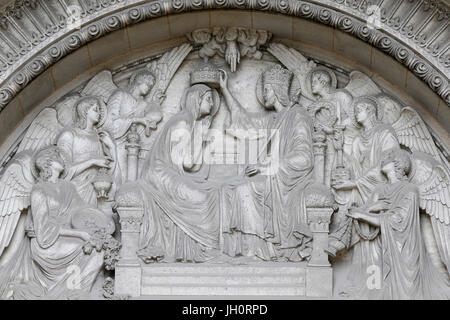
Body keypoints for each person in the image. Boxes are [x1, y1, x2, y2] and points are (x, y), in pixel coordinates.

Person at [218, 65, 315, 261]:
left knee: (243, 190)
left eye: (267, 89)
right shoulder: (275, 119)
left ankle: (260, 250)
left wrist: (265, 167)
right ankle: (247, 248)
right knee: (228, 187)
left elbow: (304, 157)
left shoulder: (298, 116)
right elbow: (246, 122)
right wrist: (225, 90)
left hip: (289, 182)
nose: (263, 94)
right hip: (274, 177)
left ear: (277, 89)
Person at [346, 149, 450, 299]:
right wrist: (365, 210)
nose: (383, 159)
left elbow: (397, 220)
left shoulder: (410, 190)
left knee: (406, 292)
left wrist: (363, 214)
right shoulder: (380, 189)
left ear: (398, 163)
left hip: (404, 250)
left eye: (388, 157)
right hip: (381, 247)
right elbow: (366, 210)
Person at [11, 147, 112, 299]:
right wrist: (79, 234)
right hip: (48, 242)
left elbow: (82, 211)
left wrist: (103, 222)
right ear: (48, 163)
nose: (62, 159)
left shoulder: (68, 187)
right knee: (89, 249)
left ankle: (77, 292)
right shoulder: (39, 190)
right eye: (57, 156)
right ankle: (69, 293)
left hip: (69, 236)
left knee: (99, 249)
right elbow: (43, 230)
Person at [136, 83, 222, 263]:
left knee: (210, 191)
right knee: (204, 198)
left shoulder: (189, 121)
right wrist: (201, 135)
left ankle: (203, 246)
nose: (212, 105)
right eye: (208, 100)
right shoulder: (183, 122)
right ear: (196, 100)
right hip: (160, 176)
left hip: (167, 174)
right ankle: (206, 248)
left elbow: (189, 164)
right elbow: (187, 163)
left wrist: (201, 133)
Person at [56, 96, 118, 206]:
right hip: (74, 192)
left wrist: (112, 147)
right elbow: (64, 172)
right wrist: (92, 161)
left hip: (96, 192)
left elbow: (109, 172)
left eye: (99, 110)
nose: (99, 113)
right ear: (85, 112)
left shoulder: (100, 138)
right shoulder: (69, 135)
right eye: (95, 110)